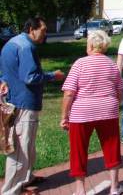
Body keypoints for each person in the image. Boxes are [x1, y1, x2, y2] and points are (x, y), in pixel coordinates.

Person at [0, 17, 65, 195]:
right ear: (31, 29)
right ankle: (11, 190)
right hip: (24, 104)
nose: (45, 33)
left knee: (27, 145)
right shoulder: (27, 47)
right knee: (21, 149)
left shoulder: (12, 43)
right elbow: (31, 77)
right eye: (43, 30)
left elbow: (6, 72)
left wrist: (3, 81)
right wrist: (53, 75)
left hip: (15, 101)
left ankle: (27, 178)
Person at [60, 30, 123, 195]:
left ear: (90, 45)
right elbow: (119, 92)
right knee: (111, 147)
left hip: (81, 113)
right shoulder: (112, 65)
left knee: (79, 150)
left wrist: (64, 116)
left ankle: (80, 190)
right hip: (108, 111)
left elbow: (69, 93)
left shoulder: (80, 64)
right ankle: (114, 187)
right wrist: (114, 103)